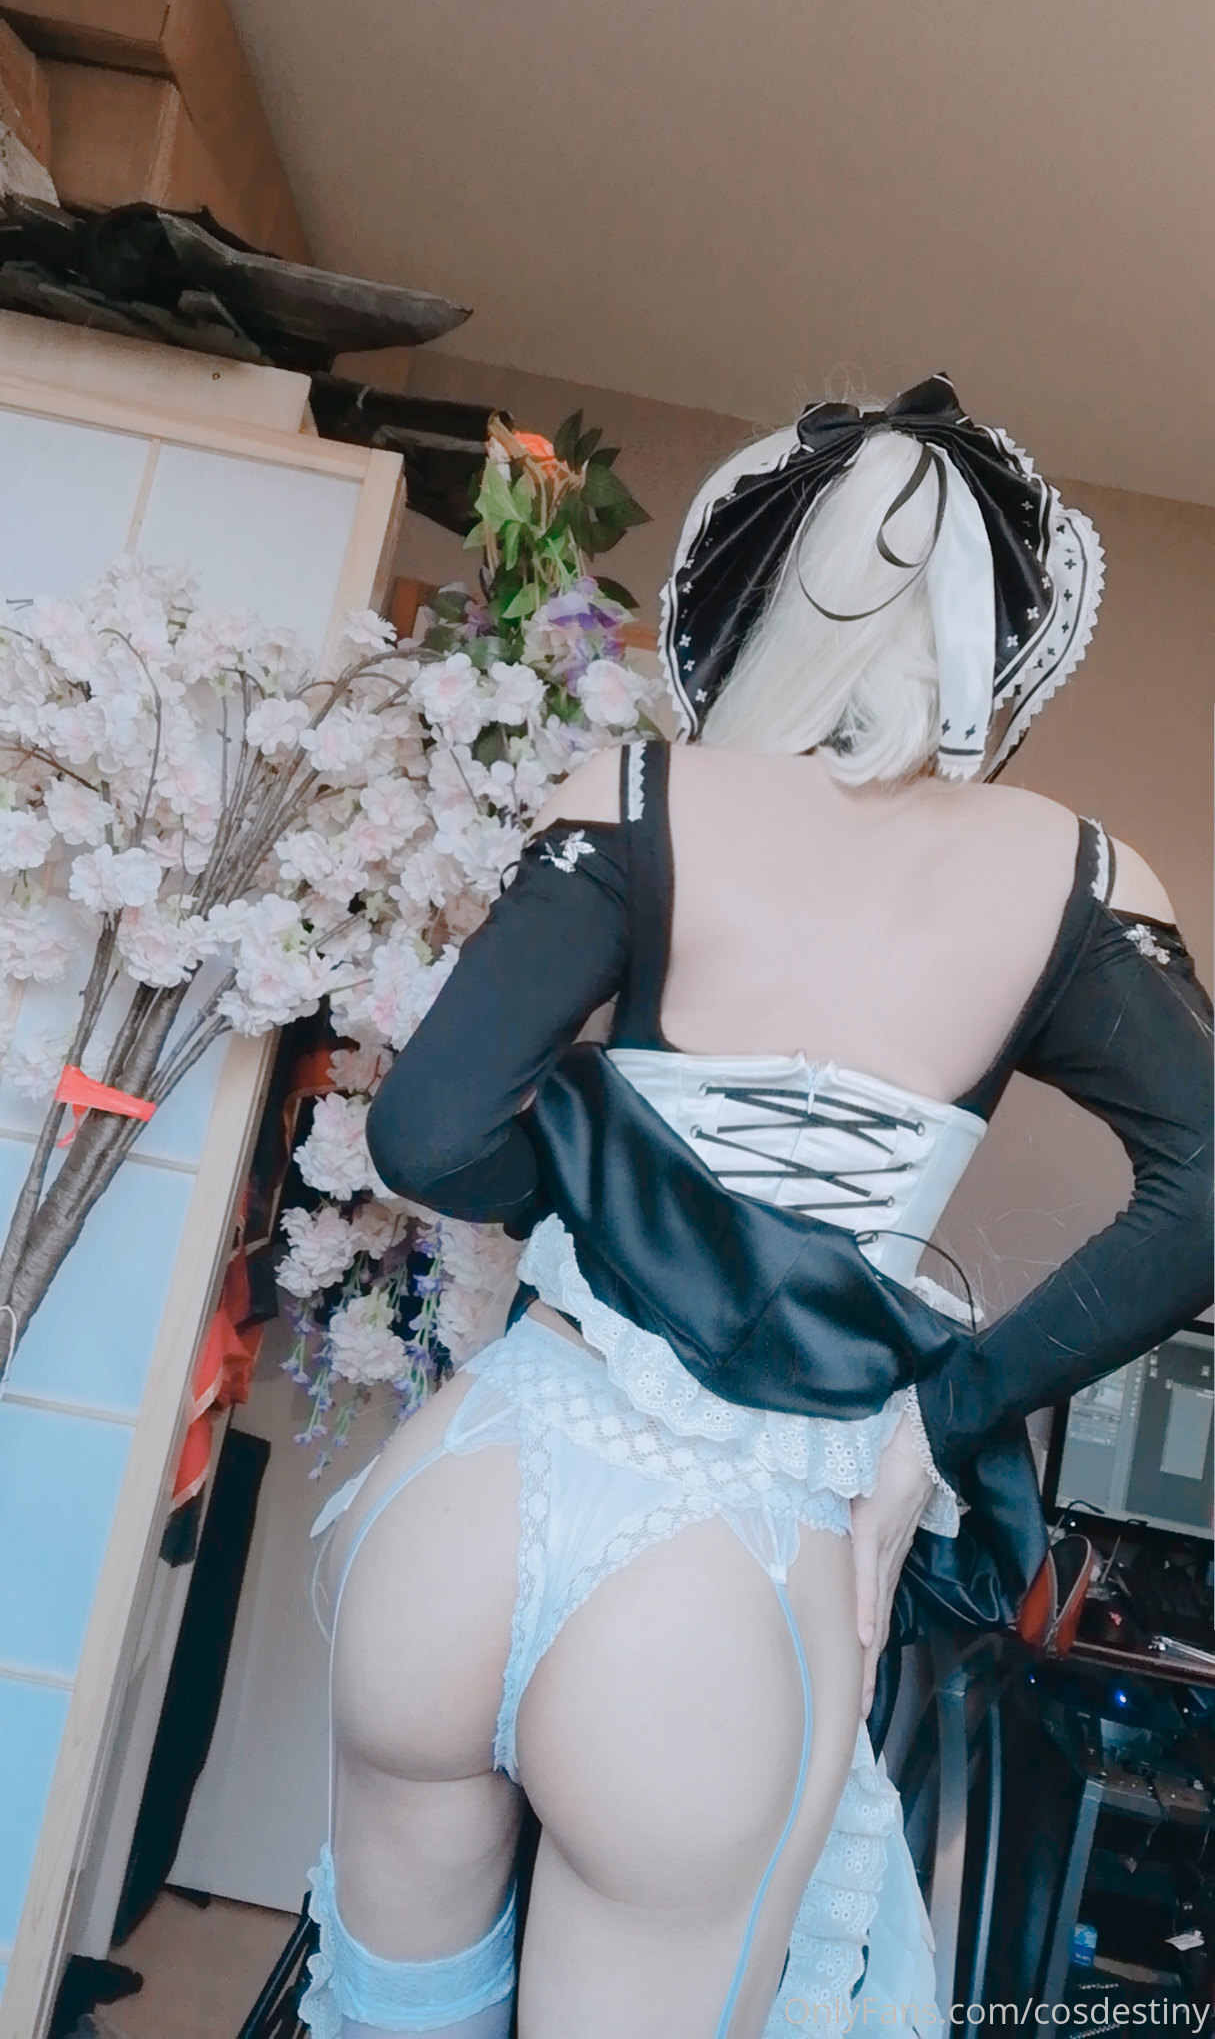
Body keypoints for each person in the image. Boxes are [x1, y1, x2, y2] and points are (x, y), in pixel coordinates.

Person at [298, 376, 1212, 2039]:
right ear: (997, 639)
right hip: (731, 1562)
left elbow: (427, 1134)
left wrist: (613, 1198)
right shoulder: (1079, 877)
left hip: (475, 1492)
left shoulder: (639, 795)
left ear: (765, 592)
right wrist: (948, 1414)